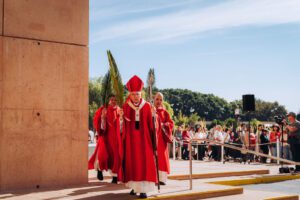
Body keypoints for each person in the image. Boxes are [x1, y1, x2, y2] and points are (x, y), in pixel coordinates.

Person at [121, 75, 157, 199]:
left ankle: (143, 190)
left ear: (141, 94)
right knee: (133, 163)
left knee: (144, 163)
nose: (136, 97)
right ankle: (134, 187)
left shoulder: (147, 106)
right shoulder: (125, 107)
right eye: (133, 94)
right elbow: (122, 126)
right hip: (131, 141)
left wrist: (154, 117)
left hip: (144, 140)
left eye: (138, 94)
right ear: (130, 95)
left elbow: (152, 126)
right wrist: (121, 119)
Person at [88, 95, 122, 184]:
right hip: (105, 136)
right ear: (109, 100)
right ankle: (100, 170)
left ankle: (115, 177)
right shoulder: (103, 108)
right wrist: (102, 117)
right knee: (102, 154)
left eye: (115, 100)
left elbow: (121, 122)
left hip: (115, 137)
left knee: (115, 156)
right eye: (112, 100)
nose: (114, 101)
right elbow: (97, 122)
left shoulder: (119, 110)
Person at [154, 92, 174, 185]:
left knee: (162, 158)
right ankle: (153, 178)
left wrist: (163, 125)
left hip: (161, 139)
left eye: (161, 99)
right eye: (157, 99)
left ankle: (162, 178)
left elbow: (171, 124)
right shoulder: (149, 110)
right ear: (154, 99)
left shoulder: (165, 112)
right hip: (152, 138)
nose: (159, 101)